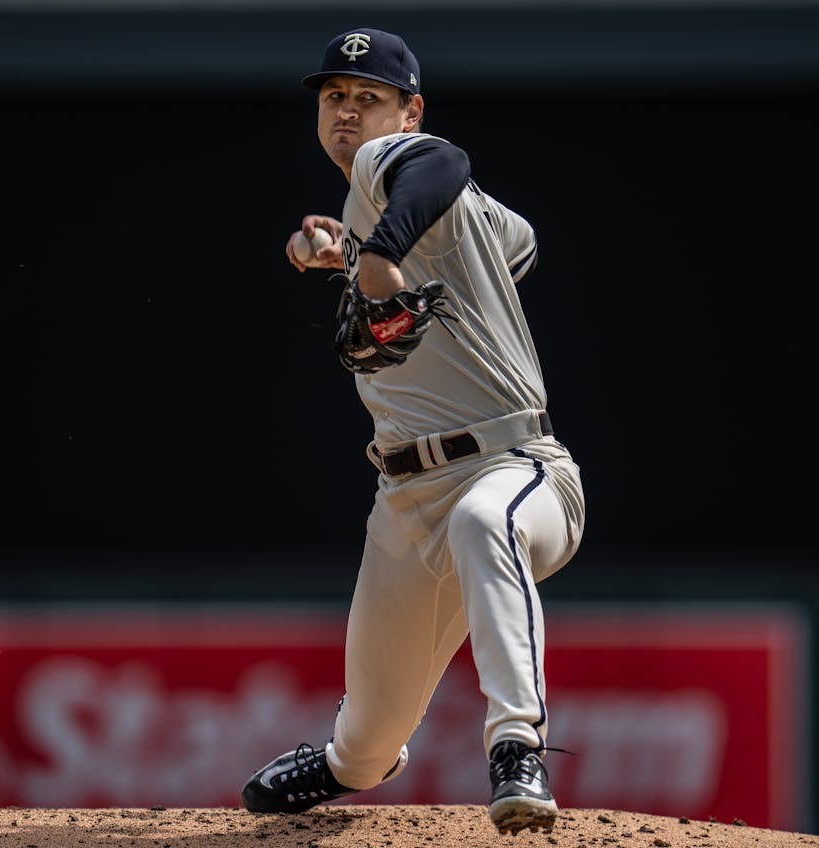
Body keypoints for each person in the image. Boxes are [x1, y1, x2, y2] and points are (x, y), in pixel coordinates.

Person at [240, 27, 586, 836]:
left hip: (516, 466)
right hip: (404, 497)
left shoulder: (397, 163)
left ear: (410, 111)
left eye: (369, 99)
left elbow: (443, 165)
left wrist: (376, 253)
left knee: (483, 520)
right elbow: (517, 243)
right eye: (334, 98)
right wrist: (351, 247)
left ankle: (516, 747)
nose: (348, 113)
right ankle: (349, 764)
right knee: (364, 744)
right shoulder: (396, 203)